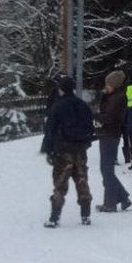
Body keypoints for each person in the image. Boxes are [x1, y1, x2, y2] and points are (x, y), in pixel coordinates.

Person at [40, 76, 94, 228]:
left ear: (61, 89)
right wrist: (86, 143)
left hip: (63, 150)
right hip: (80, 149)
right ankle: (85, 216)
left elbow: (50, 129)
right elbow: (90, 126)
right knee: (82, 180)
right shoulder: (82, 105)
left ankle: (54, 217)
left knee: (60, 183)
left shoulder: (58, 106)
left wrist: (48, 149)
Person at [95, 70, 132, 213]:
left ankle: (110, 203)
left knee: (107, 170)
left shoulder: (118, 98)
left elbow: (109, 117)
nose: (106, 86)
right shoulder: (112, 96)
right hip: (107, 134)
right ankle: (123, 198)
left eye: (108, 84)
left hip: (110, 135)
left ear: (114, 85)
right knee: (107, 169)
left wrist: (95, 115)